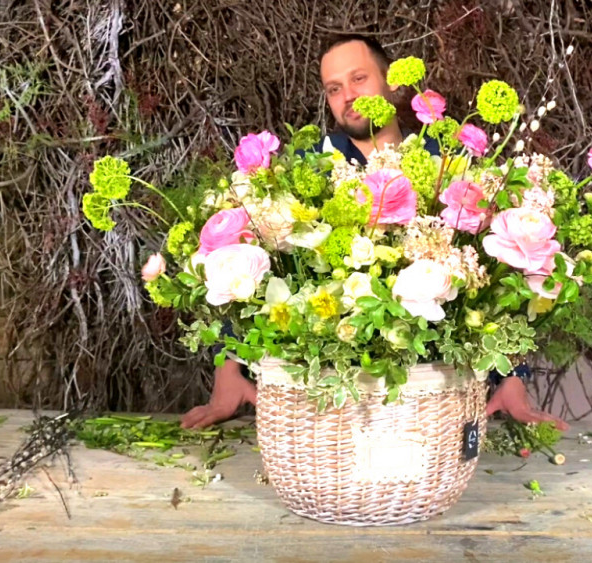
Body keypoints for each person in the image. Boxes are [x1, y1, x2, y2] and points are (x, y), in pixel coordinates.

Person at [181, 34, 568, 432]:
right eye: (334, 88)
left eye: (359, 79)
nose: (348, 96)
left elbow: (499, 275)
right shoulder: (308, 167)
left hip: (430, 401)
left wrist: (512, 378)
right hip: (331, 411)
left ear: (391, 83)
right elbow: (244, 260)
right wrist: (229, 371)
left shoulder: (444, 164)